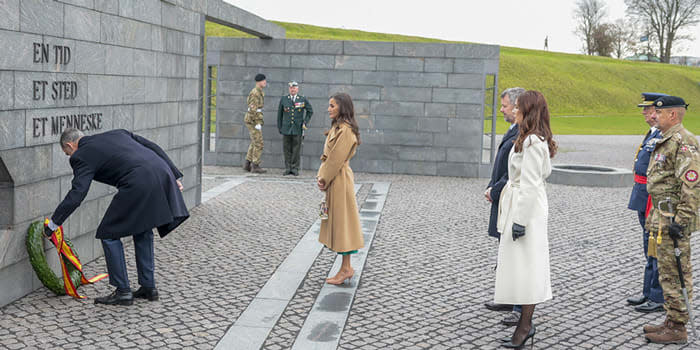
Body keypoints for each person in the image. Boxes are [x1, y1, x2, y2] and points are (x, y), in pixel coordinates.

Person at [45, 128, 189, 305]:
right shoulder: (118, 133)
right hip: (160, 173)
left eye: (67, 153)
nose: (69, 156)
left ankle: (123, 292)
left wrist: (54, 224)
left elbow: (78, 193)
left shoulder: (80, 155)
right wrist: (174, 174)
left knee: (108, 234)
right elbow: (152, 147)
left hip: (137, 182)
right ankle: (148, 287)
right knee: (143, 229)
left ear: (70, 145)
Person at [494, 90, 557, 348]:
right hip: (524, 205)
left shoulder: (532, 142)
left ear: (528, 112)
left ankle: (525, 326)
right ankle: (524, 324)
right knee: (522, 267)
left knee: (527, 268)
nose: (515, 111)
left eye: (518, 108)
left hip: (526, 211)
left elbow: (530, 185)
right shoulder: (530, 138)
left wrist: (519, 220)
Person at [643, 95, 699, 344]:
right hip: (661, 216)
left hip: (673, 220)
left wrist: (682, 220)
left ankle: (678, 327)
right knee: (666, 271)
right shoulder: (666, 139)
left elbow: (693, 185)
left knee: (676, 272)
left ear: (673, 115)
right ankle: (670, 319)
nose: (654, 116)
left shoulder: (683, 141)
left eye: (660, 113)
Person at [484, 87, 525, 327]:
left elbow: (515, 173)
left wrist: (495, 189)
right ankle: (508, 297)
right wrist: (492, 187)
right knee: (505, 252)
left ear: (518, 106)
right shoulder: (513, 130)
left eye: (505, 106)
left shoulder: (524, 135)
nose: (501, 110)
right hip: (503, 199)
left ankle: (520, 307)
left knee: (515, 254)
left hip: (512, 201)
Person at [316, 93, 364, 285]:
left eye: (332, 106)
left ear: (342, 108)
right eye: (329, 105)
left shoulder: (345, 131)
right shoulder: (337, 128)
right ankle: (345, 267)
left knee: (343, 225)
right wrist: (323, 178)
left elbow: (335, 159)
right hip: (334, 180)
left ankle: (346, 268)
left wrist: (323, 178)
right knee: (337, 223)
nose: (329, 109)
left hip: (339, 180)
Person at [626, 92, 666, 313]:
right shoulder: (652, 133)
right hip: (643, 196)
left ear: (657, 111)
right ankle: (648, 292)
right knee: (647, 247)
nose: (643, 112)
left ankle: (658, 296)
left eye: (647, 108)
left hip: (653, 199)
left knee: (656, 248)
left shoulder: (663, 135)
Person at [277, 81, 313, 176]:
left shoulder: (302, 99)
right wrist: (280, 127)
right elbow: (279, 115)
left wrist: (305, 122)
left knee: (296, 149)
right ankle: (288, 168)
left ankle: (295, 168)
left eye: (294, 88)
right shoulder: (284, 99)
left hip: (297, 128)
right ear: (289, 89)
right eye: (291, 88)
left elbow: (310, 111)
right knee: (287, 149)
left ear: (297, 89)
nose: (292, 89)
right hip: (286, 128)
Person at [243, 73, 267, 174]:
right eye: (263, 81)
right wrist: (257, 122)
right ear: (259, 82)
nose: (265, 82)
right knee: (259, 143)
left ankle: (247, 163)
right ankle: (255, 165)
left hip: (255, 119)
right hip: (253, 120)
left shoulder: (259, 91)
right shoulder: (255, 93)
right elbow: (253, 109)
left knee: (254, 142)